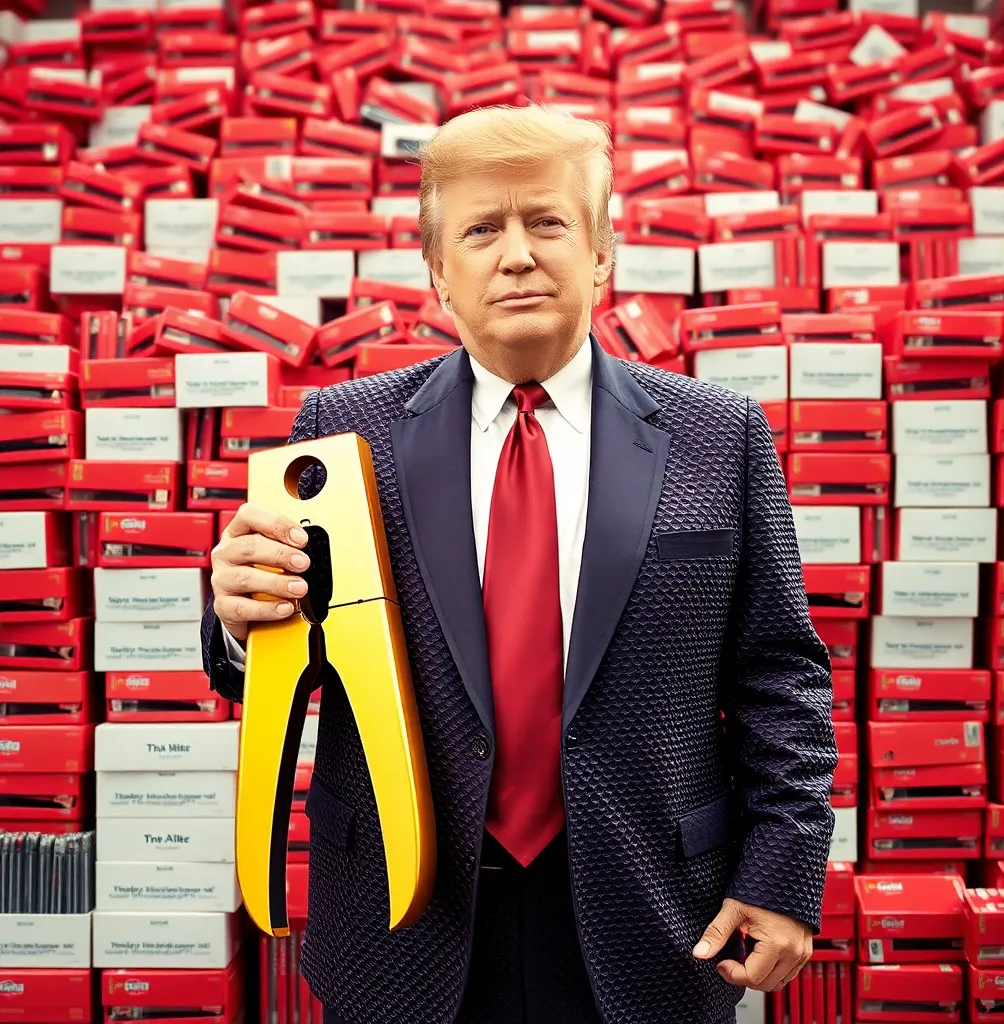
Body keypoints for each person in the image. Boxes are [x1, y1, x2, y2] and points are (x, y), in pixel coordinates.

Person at [201, 104, 837, 1024]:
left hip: (653, 910)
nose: (517, 254)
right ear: (438, 274)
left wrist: (783, 873)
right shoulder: (344, 434)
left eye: (548, 221)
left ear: (602, 252)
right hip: (402, 910)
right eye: (482, 230)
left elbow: (782, 674)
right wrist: (236, 611)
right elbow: (283, 657)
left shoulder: (719, 435)